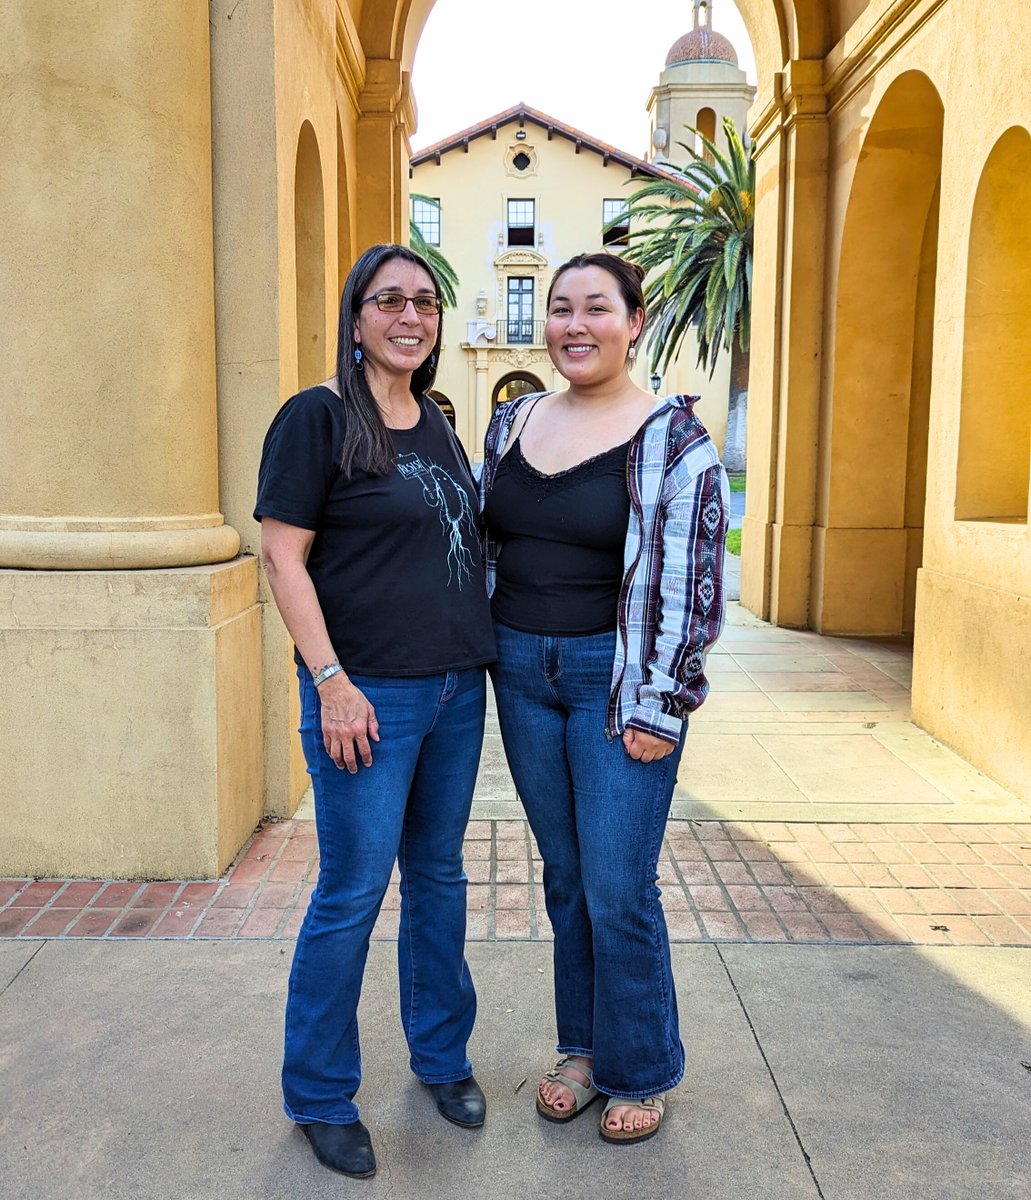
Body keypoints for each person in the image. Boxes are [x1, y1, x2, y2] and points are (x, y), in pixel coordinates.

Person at [255, 243, 495, 1179]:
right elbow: (283, 558)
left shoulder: (435, 420)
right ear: (355, 318)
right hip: (367, 697)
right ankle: (319, 1092)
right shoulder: (315, 419)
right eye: (389, 300)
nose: (410, 316)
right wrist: (331, 682)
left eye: (425, 302)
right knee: (351, 895)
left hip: (453, 692)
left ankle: (441, 1058)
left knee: (436, 878)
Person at [480, 252, 728, 1145]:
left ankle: (642, 1067)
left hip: (614, 683)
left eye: (595, 309)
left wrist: (663, 704)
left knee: (618, 883)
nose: (573, 326)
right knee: (566, 879)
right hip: (519, 673)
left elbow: (693, 586)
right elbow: (487, 542)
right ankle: (581, 1052)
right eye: (558, 309)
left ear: (633, 320)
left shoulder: (673, 438)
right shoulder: (510, 421)